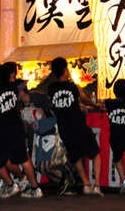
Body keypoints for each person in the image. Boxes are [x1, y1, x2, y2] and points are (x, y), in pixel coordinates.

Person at [0, 62, 43, 199]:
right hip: (17, 126)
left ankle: (11, 185)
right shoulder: (13, 87)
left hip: (4, 129)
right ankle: (35, 188)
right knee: (24, 158)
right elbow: (21, 90)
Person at [48, 57, 102, 196]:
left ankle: (86, 184)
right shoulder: (73, 87)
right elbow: (84, 99)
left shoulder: (51, 88)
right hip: (78, 124)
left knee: (75, 156)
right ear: (65, 70)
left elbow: (54, 107)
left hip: (64, 128)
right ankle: (96, 185)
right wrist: (94, 105)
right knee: (95, 153)